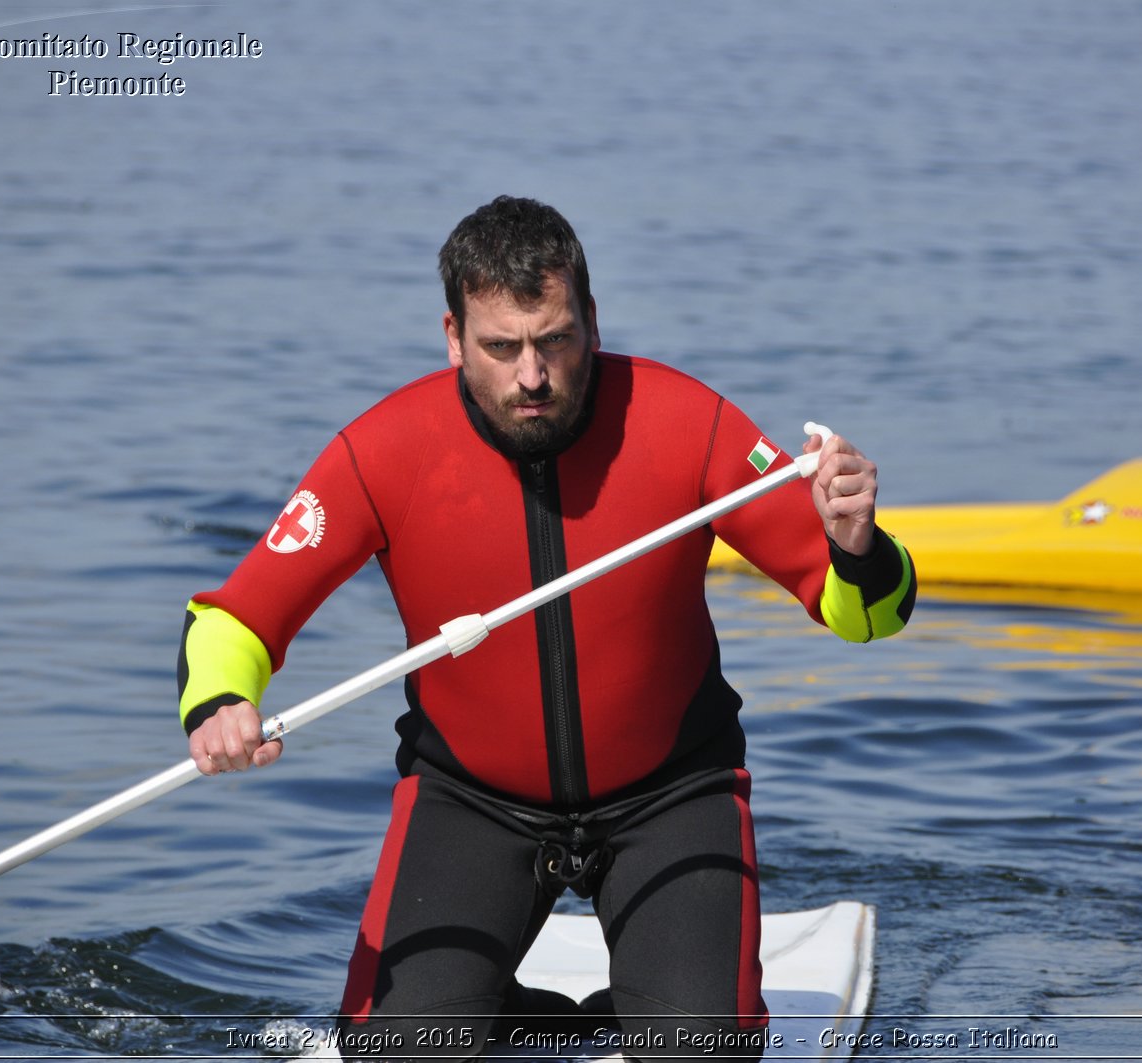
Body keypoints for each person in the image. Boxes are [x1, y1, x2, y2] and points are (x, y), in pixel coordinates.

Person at [176, 196, 915, 1061]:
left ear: (592, 322)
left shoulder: (686, 423)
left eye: (555, 340)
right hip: (471, 799)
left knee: (700, 1053)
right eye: (501, 347)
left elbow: (864, 615)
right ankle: (526, 1012)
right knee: (398, 1054)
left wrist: (857, 545)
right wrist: (221, 701)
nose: (532, 375)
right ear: (454, 336)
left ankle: (651, 1003)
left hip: (671, 794)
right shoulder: (384, 451)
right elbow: (235, 614)